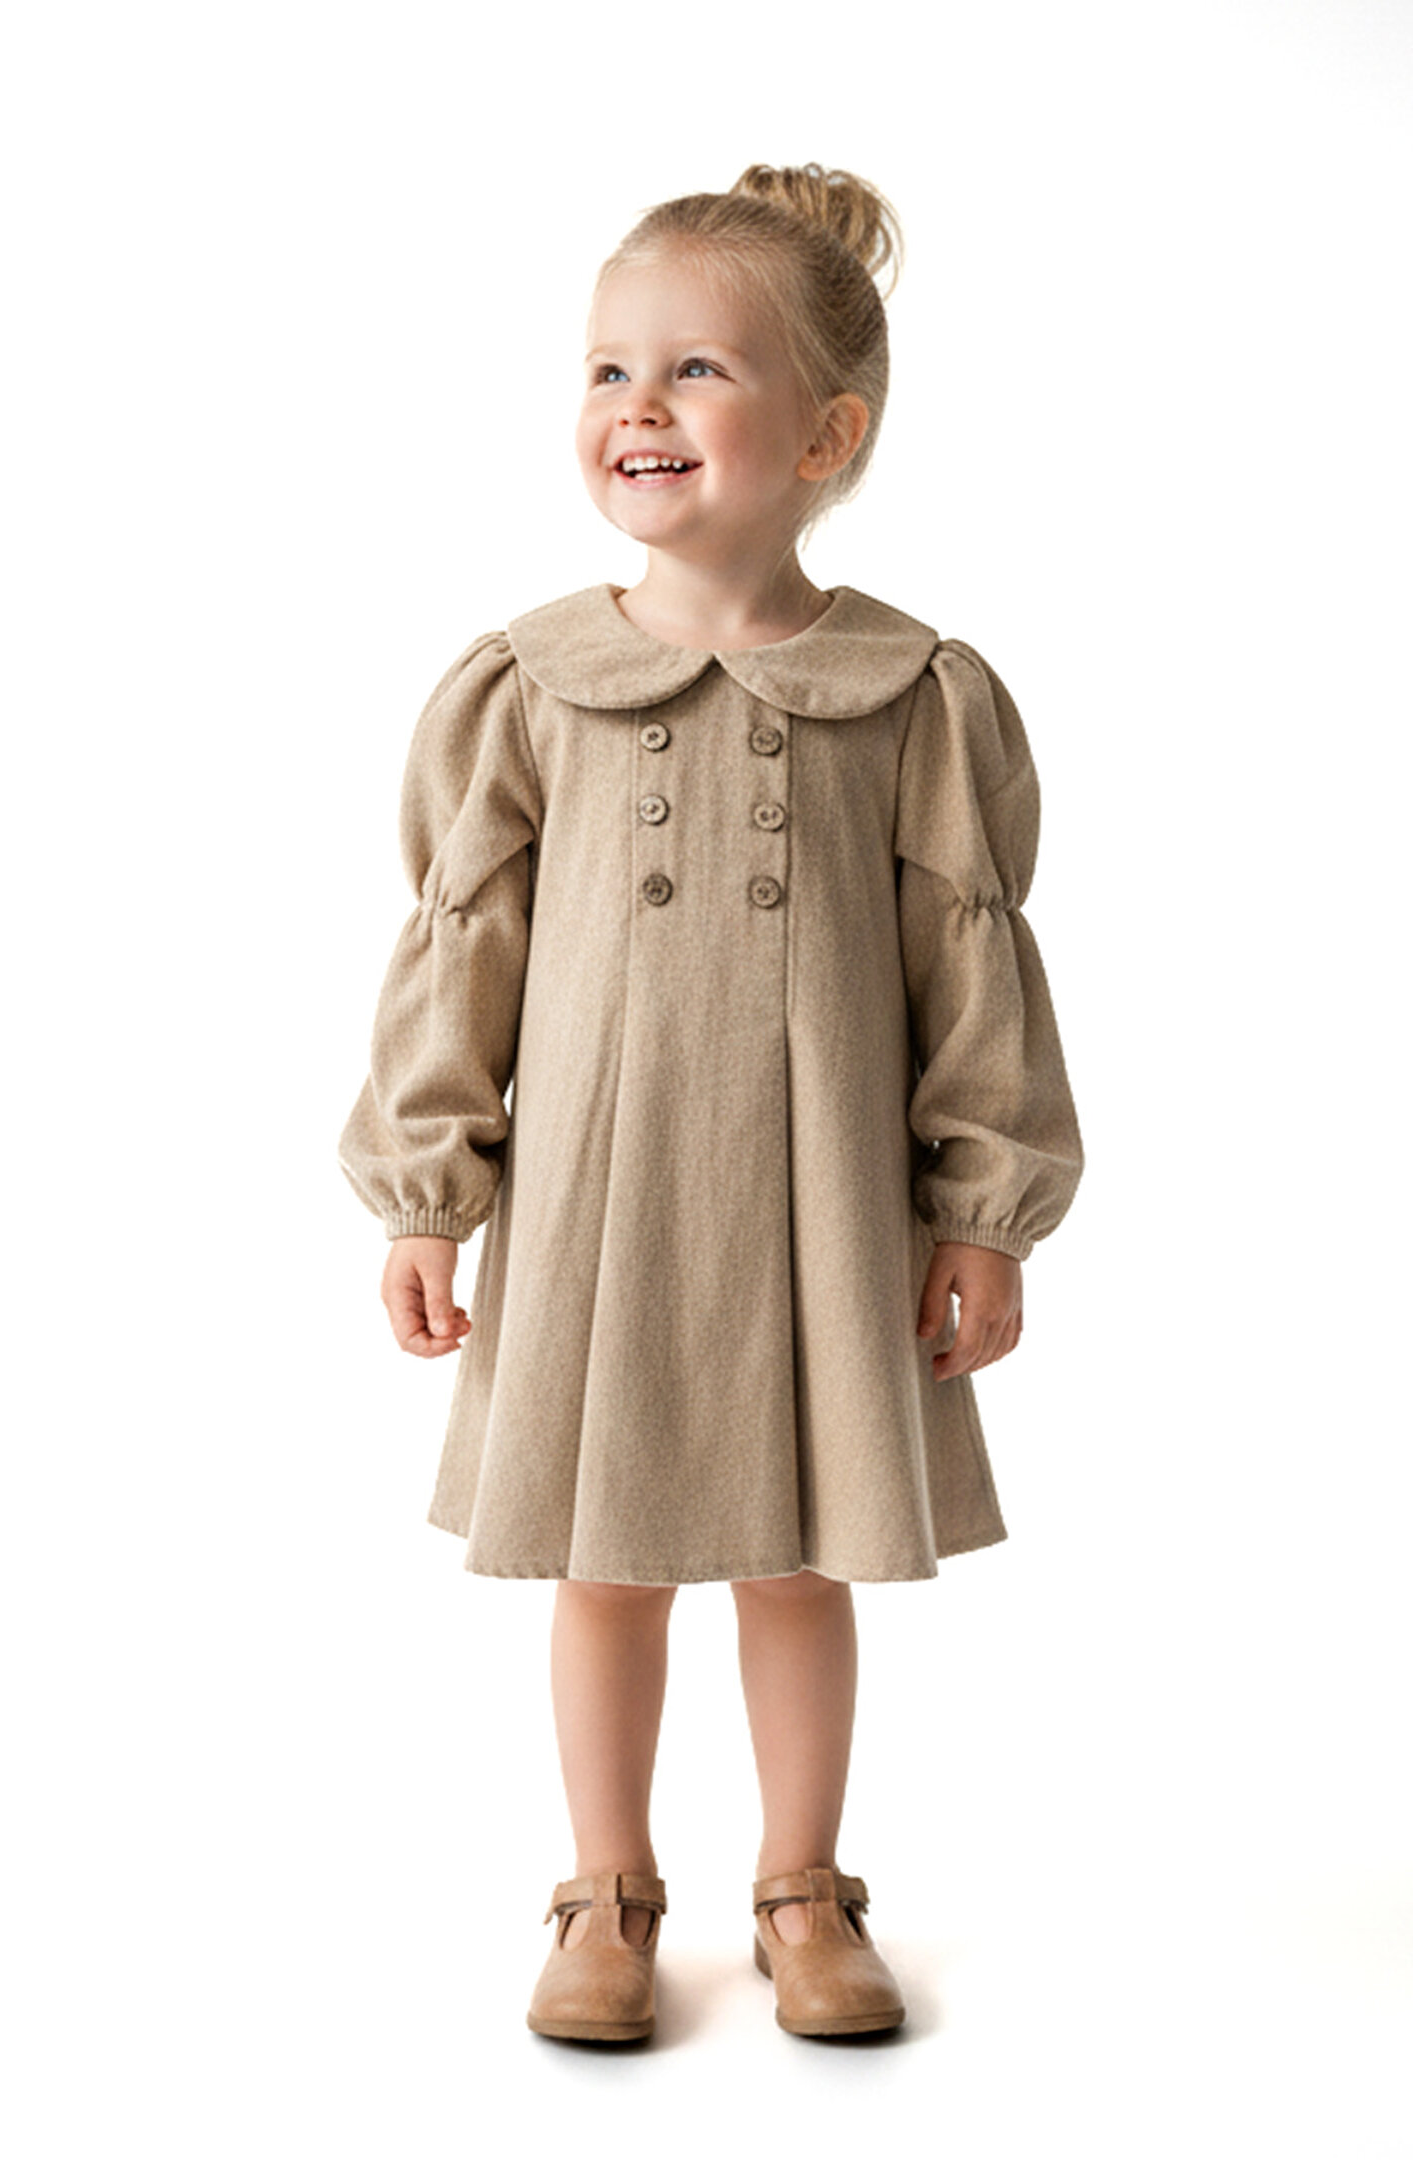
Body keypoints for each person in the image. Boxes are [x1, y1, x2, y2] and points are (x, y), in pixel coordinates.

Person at [337, 162, 1084, 2045]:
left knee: (796, 1557)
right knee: (602, 1563)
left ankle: (802, 1886)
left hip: (821, 1210)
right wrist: (428, 1192)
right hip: (596, 1209)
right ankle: (605, 1889)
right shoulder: (531, 685)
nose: (638, 405)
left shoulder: (910, 692)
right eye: (608, 368)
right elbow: (461, 949)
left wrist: (982, 1212)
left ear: (828, 436)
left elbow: (972, 965)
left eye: (694, 369)